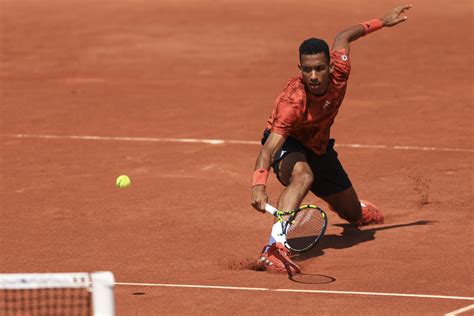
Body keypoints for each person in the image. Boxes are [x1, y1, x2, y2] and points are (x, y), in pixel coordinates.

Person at [250, 4, 412, 274]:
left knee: (353, 215)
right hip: (290, 144)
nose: (313, 76)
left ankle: (356, 208)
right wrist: (258, 183)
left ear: (329, 65)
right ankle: (275, 246)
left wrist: (382, 22)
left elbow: (344, 36)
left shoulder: (340, 70)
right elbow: (269, 148)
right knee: (303, 176)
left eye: (319, 68)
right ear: (299, 68)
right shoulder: (292, 101)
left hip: (319, 145)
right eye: (307, 70)